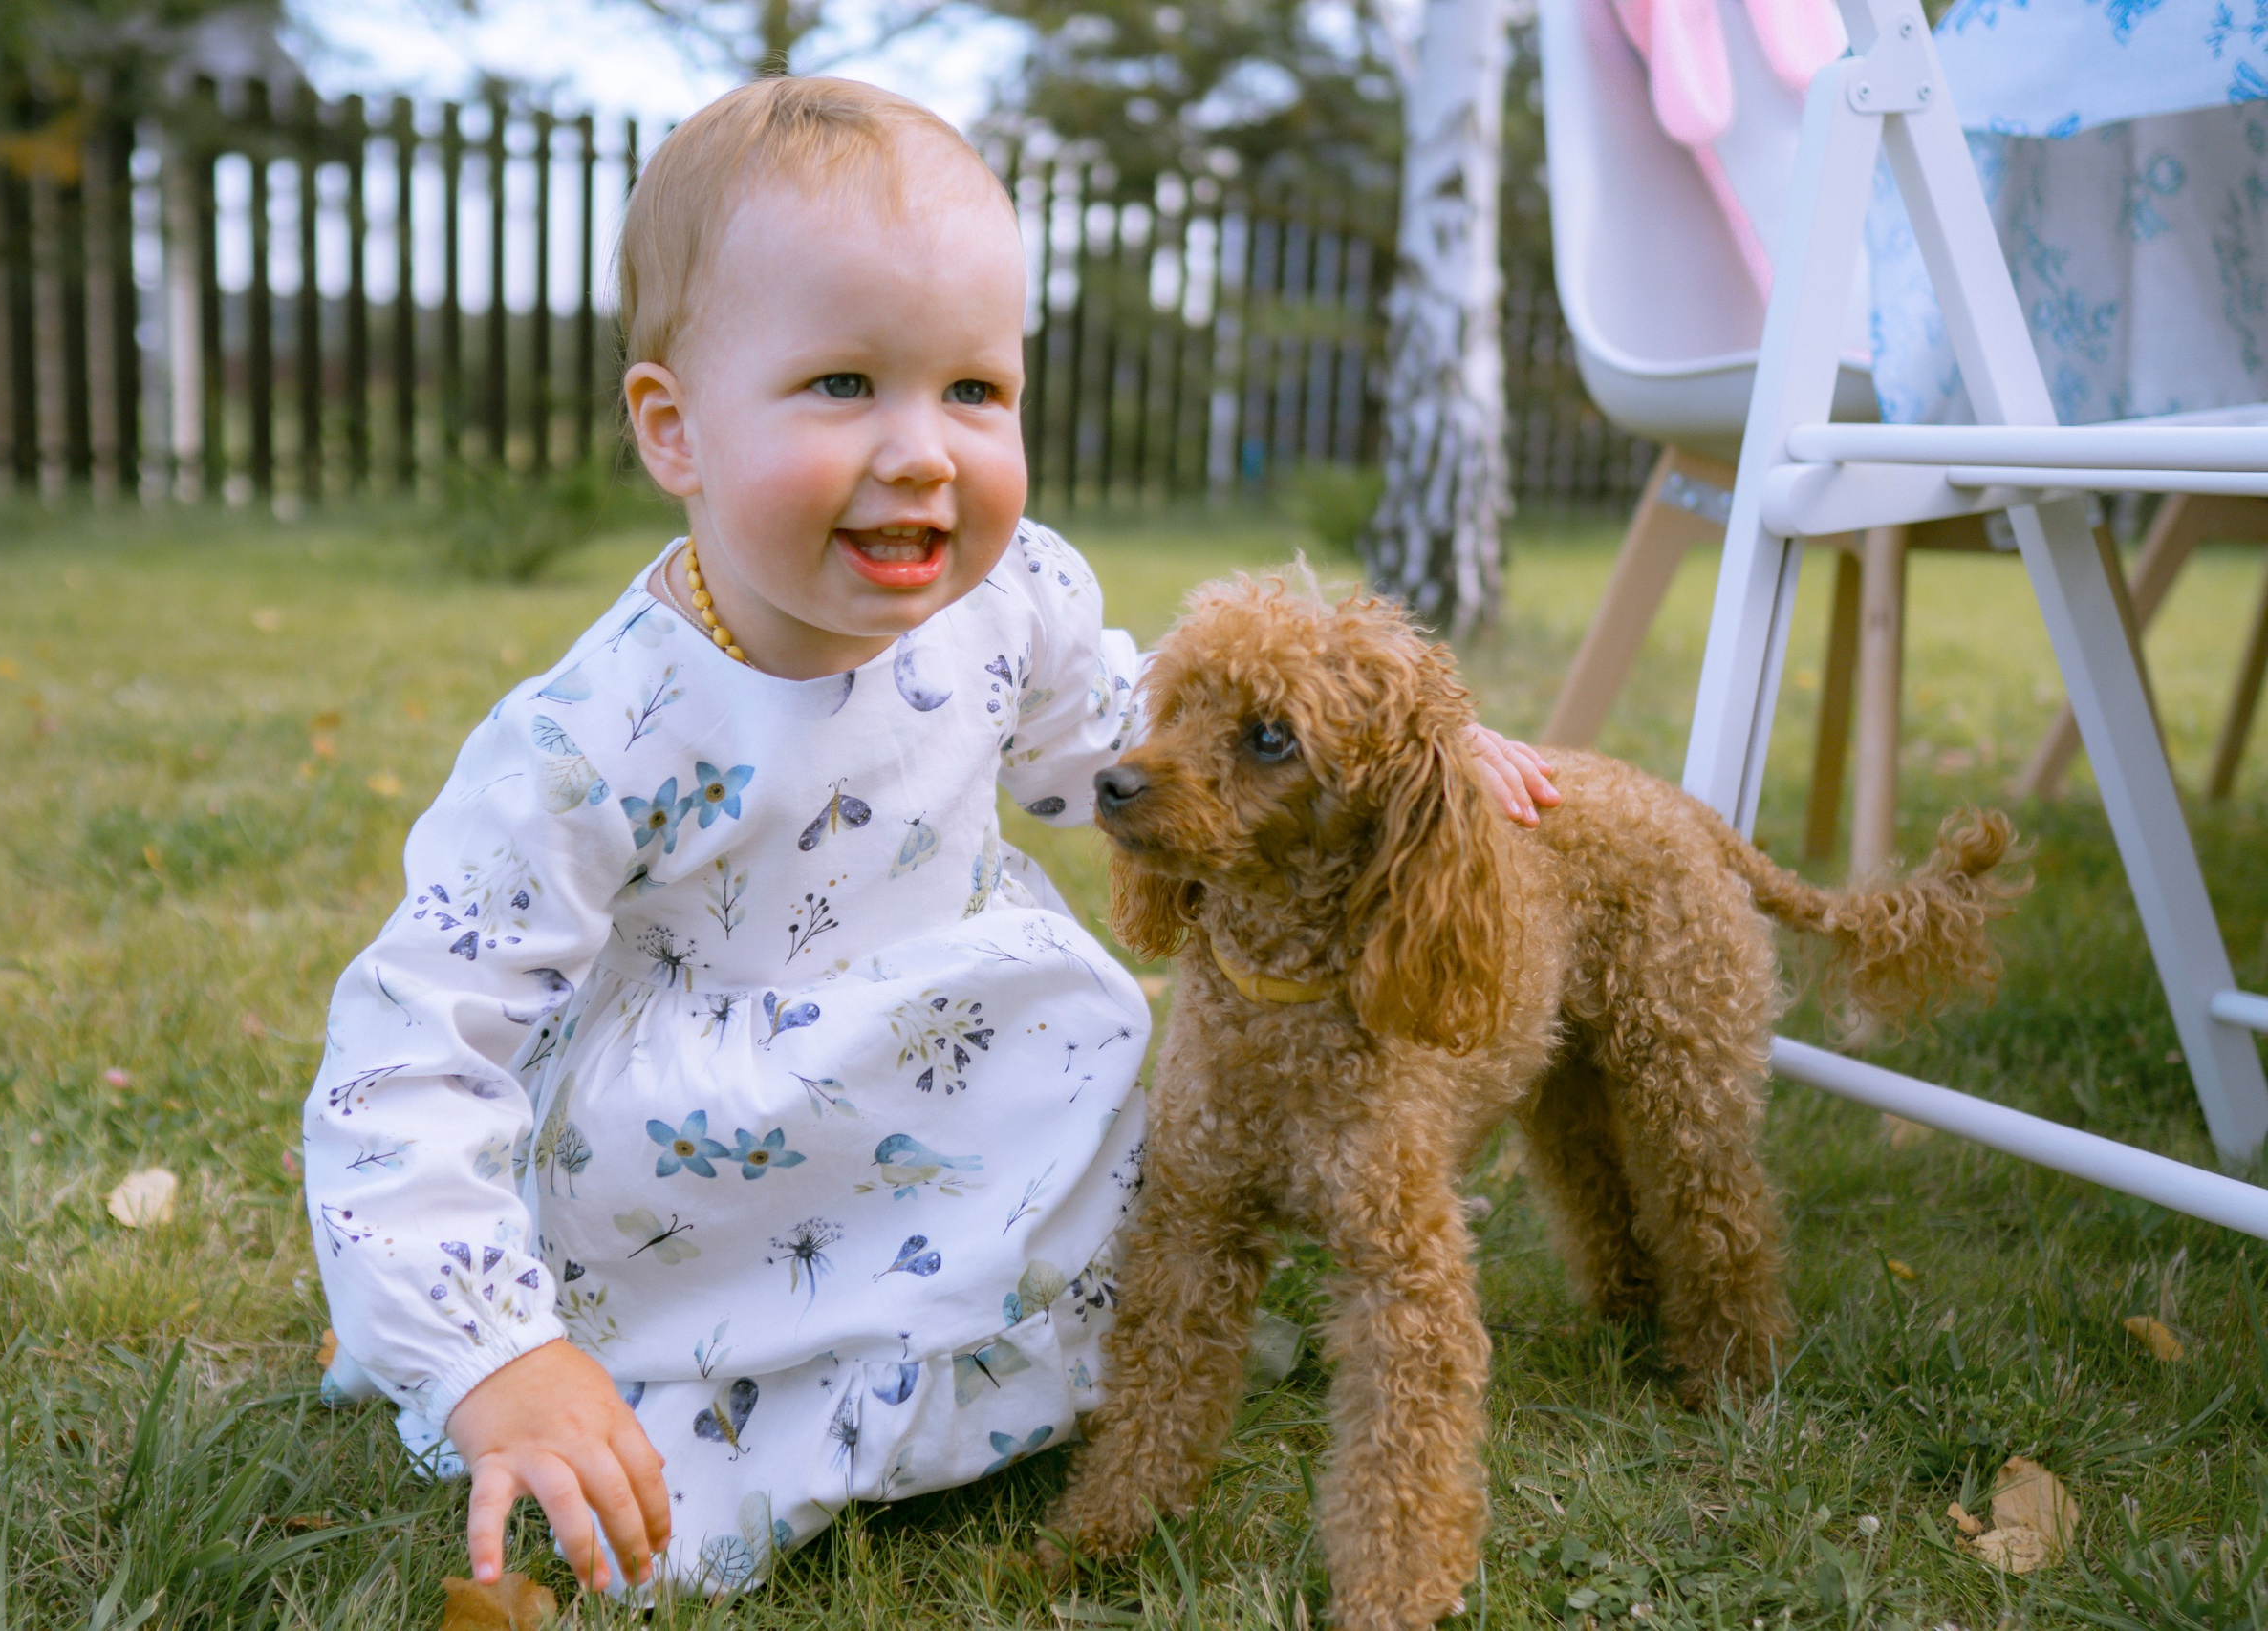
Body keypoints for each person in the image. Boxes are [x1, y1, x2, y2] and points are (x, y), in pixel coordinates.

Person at [301, 74, 1561, 1602]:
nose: (923, 453)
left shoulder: (1007, 599)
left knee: (1093, 1082)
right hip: (721, 1159)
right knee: (669, 1379)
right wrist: (498, 1351)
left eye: (974, 390)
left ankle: (987, 1362)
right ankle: (661, 1369)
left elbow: (1118, 745)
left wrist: (1410, 753)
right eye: (843, 385)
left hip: (960, 1060)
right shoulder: (591, 741)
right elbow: (412, 1048)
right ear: (674, 427)